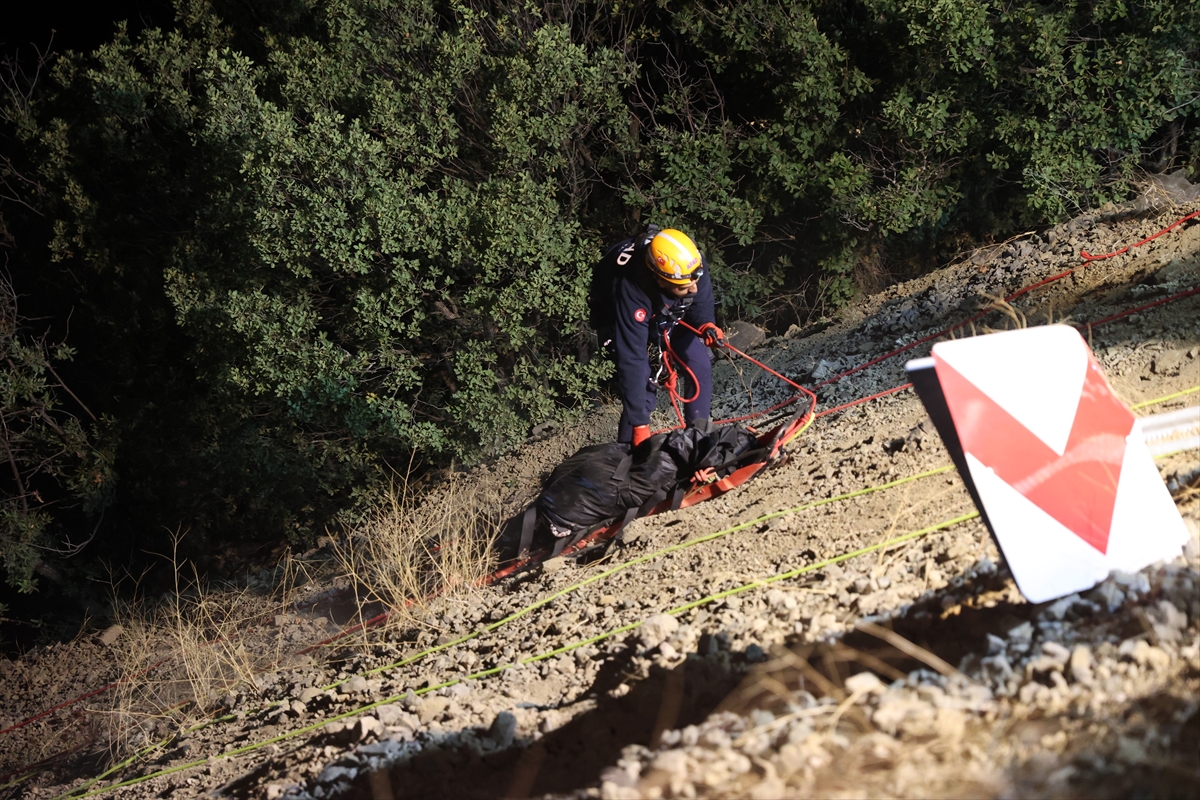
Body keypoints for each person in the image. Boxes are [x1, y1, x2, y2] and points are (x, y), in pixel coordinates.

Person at [592, 226, 725, 445]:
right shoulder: (630, 290)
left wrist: (706, 324)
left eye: (695, 281)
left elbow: (699, 299)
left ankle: (698, 437)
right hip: (618, 317)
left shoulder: (690, 262)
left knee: (699, 364)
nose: (693, 288)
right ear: (661, 280)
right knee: (643, 381)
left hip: (666, 305)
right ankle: (629, 450)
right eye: (685, 286)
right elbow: (632, 359)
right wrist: (640, 425)